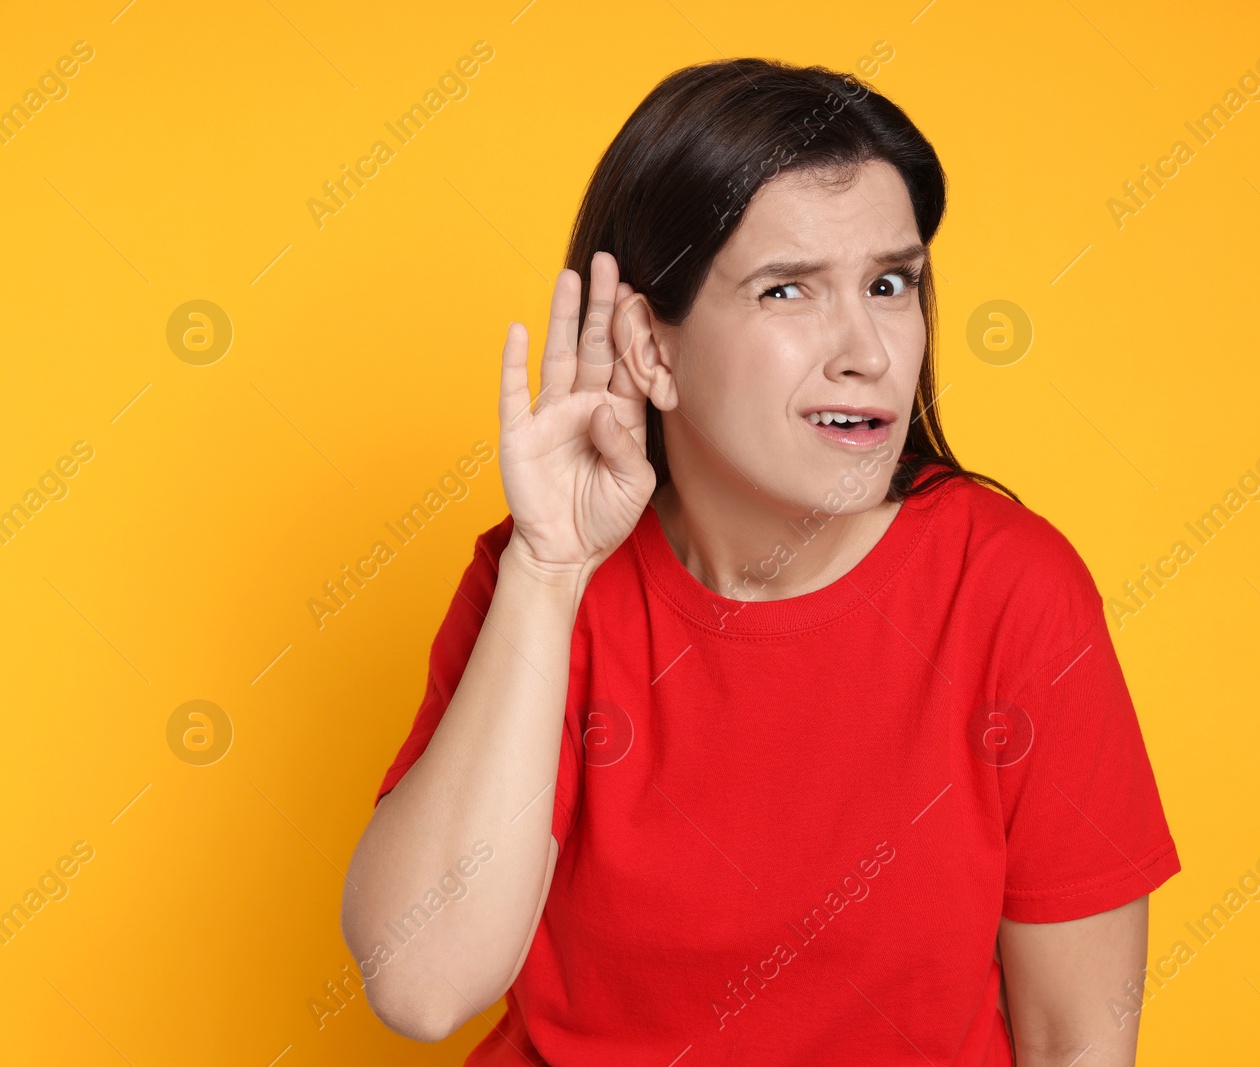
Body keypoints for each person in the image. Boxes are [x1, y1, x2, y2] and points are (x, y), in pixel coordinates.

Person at [341, 57, 1180, 1067]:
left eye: (889, 283)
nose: (867, 349)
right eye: (789, 289)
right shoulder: (541, 579)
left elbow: (1077, 1042)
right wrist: (548, 569)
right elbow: (424, 982)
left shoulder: (1008, 590)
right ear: (651, 352)